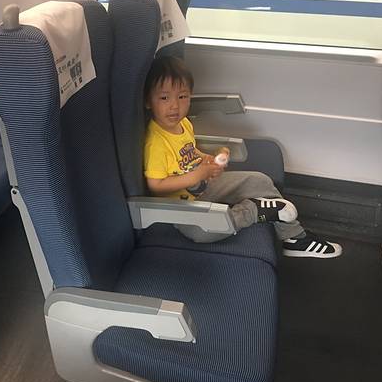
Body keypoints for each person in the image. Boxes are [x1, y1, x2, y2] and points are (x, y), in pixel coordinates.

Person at [144, 56, 342, 258]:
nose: (175, 106)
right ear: (148, 101)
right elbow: (156, 185)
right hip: (180, 206)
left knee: (260, 180)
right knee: (202, 233)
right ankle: (254, 211)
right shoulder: (156, 142)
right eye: (164, 98)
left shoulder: (184, 124)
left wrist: (208, 159)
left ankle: (294, 238)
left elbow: (189, 152)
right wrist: (195, 176)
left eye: (182, 97)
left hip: (202, 187)